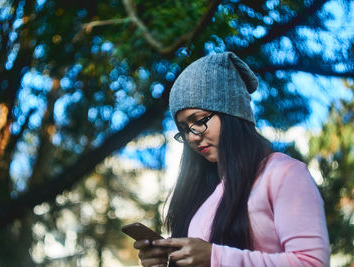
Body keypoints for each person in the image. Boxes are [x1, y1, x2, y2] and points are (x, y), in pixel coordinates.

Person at [133, 52, 330, 266]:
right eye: (184, 129)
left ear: (232, 113)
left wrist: (214, 257)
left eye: (199, 120)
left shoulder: (284, 174)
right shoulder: (207, 195)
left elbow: (312, 262)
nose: (192, 136)